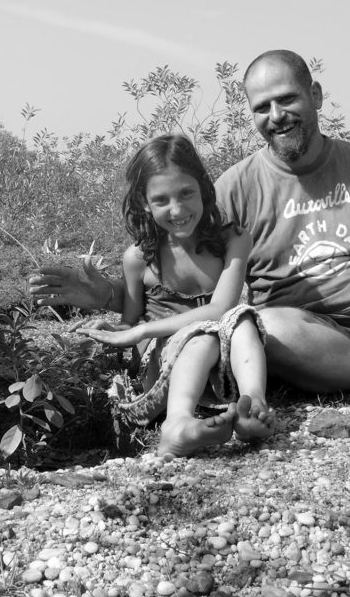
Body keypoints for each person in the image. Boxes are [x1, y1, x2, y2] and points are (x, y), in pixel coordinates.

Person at [31, 49, 350, 438]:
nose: (276, 115)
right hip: (304, 332)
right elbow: (178, 275)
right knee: (263, 322)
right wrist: (104, 297)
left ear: (316, 96)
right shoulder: (232, 189)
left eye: (287, 99)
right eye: (262, 107)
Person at [75, 135, 277, 457]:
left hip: (222, 369)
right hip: (165, 366)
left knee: (242, 320)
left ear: (204, 189)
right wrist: (125, 329)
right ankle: (177, 424)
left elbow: (222, 307)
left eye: (186, 193)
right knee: (201, 337)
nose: (177, 209)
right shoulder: (139, 258)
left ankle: (251, 407)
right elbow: (131, 324)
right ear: (144, 202)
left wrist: (140, 328)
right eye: (162, 200)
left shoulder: (233, 240)